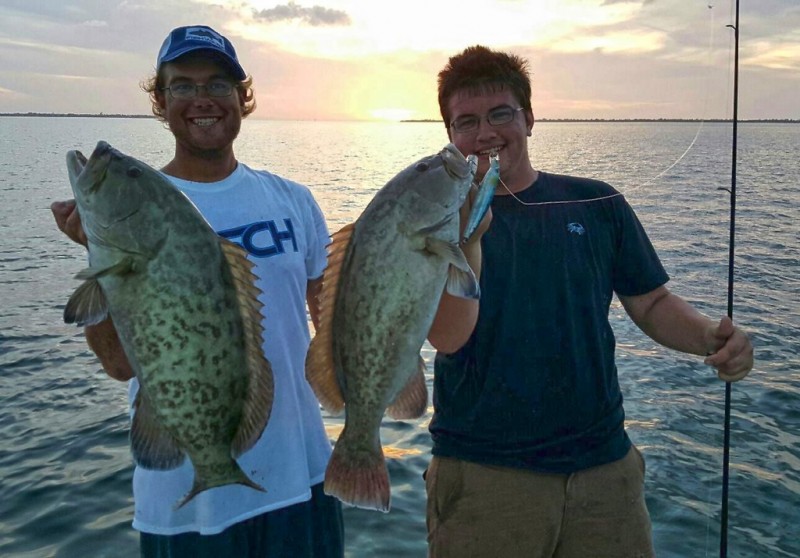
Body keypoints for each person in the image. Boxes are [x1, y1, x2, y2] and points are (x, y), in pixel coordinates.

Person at [424, 45, 754, 558]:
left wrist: (710, 337)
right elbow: (446, 336)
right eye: (467, 121)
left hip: (605, 473)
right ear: (450, 136)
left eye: (501, 114)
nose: (485, 132)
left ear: (530, 120)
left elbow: (651, 303)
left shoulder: (597, 202)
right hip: (484, 474)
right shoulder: (433, 221)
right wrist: (468, 237)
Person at [51, 25, 344, 557]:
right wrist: (99, 257)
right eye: (183, 86)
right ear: (161, 102)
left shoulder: (295, 201)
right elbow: (119, 365)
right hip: (184, 508)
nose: (202, 98)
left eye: (218, 84)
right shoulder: (141, 208)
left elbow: (332, 330)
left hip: (302, 477)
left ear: (242, 98)